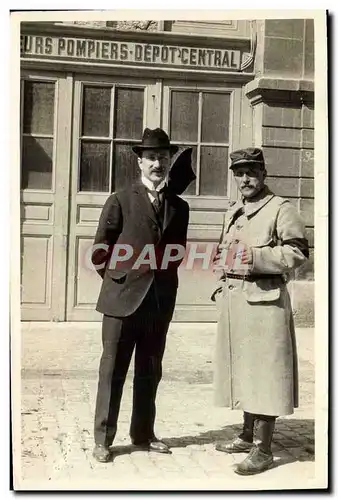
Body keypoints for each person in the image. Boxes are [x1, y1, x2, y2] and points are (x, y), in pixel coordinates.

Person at [91, 128, 194, 463]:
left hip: (158, 303)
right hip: (121, 302)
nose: (158, 163)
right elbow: (100, 249)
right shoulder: (120, 198)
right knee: (113, 370)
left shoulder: (179, 206)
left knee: (150, 370)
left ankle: (143, 434)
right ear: (140, 161)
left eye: (163, 157)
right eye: (151, 157)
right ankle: (103, 440)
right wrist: (120, 279)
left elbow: (176, 252)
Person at [211, 147, 309, 475]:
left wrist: (253, 258)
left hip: (266, 305)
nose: (245, 179)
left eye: (251, 171)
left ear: (264, 174)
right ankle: (245, 434)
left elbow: (296, 252)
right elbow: (225, 250)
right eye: (239, 173)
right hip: (237, 303)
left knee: (265, 374)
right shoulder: (234, 210)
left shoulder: (281, 209)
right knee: (243, 369)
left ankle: (263, 449)